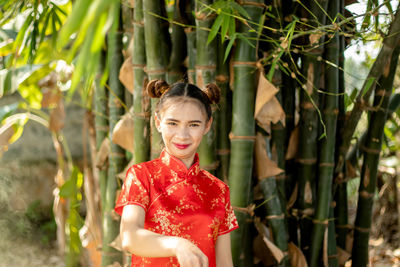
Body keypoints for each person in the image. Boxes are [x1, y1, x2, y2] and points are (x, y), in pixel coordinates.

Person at [114, 79, 239, 267]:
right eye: (172, 123)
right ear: (158, 122)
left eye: (194, 125)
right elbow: (129, 236)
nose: (182, 135)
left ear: (207, 125)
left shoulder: (218, 190)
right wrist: (177, 244)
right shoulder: (141, 176)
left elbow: (225, 262)